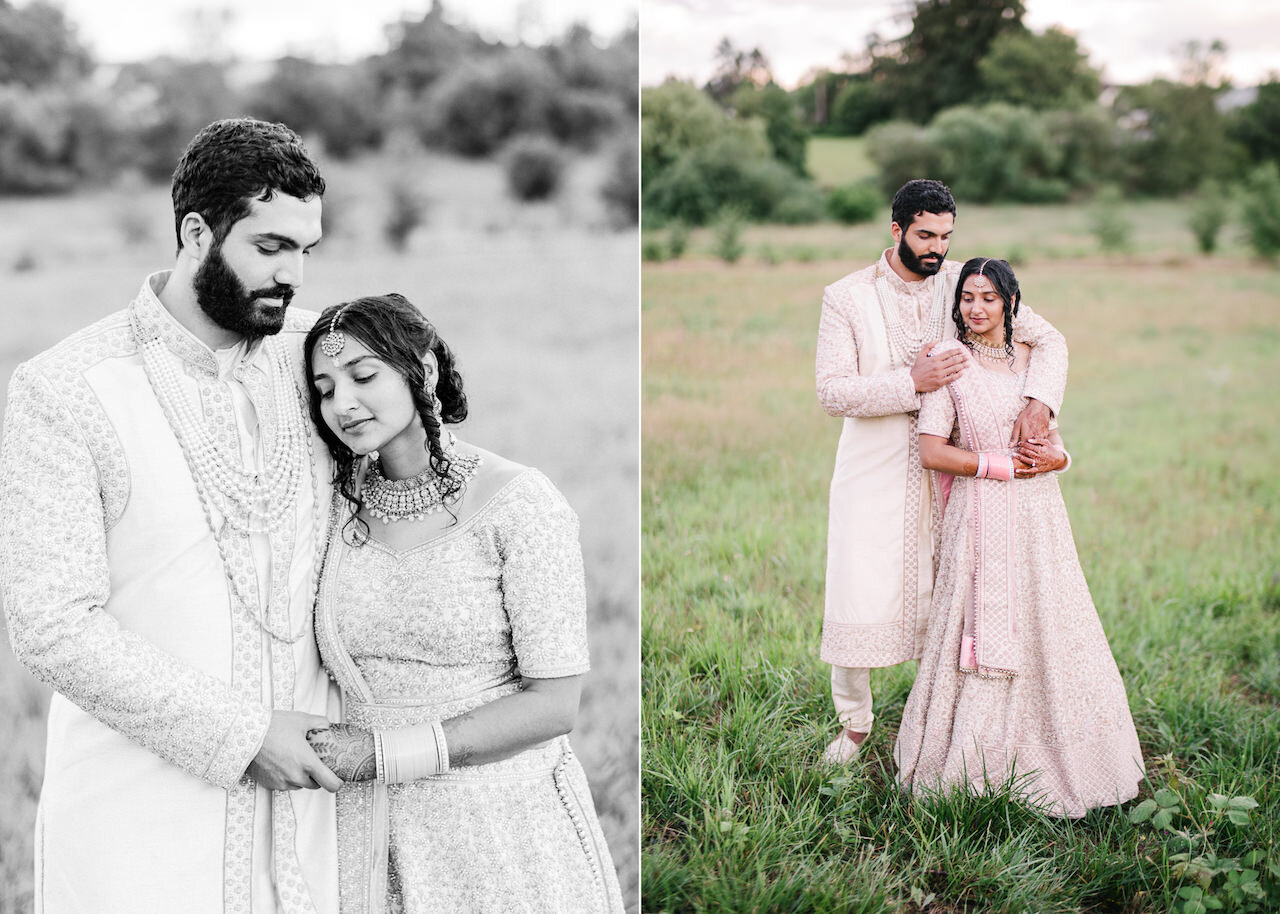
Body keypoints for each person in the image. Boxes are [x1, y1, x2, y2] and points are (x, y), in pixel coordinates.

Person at [0, 119, 342, 913]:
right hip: (140, 815)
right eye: (270, 247)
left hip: (315, 811)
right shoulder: (67, 390)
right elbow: (50, 623)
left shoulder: (316, 360)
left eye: (306, 250)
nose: (293, 274)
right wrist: (243, 735)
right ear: (197, 233)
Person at [299, 294, 625, 913]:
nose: (342, 403)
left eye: (364, 376)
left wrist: (382, 754)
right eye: (323, 388)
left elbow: (555, 705)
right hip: (366, 831)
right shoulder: (332, 508)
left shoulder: (520, 504)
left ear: (423, 370)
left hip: (499, 826)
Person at [815, 179, 1069, 764]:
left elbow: (1048, 339)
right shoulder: (847, 297)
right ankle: (854, 725)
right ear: (897, 228)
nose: (936, 248)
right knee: (859, 589)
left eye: (946, 236)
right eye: (926, 235)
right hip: (874, 466)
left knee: (962, 591)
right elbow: (832, 392)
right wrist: (912, 383)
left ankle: (945, 714)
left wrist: (1040, 401)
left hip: (956, 472)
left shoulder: (964, 283)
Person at [894, 258, 1144, 816]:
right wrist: (1000, 467)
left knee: (1050, 619)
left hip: (1040, 515)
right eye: (966, 298)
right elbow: (932, 451)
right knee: (980, 624)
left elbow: (1051, 444)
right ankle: (972, 764)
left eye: (988, 298)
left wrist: (1061, 458)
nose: (976, 308)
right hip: (982, 510)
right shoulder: (946, 362)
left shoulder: (1033, 364)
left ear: (1010, 302)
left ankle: (1068, 760)